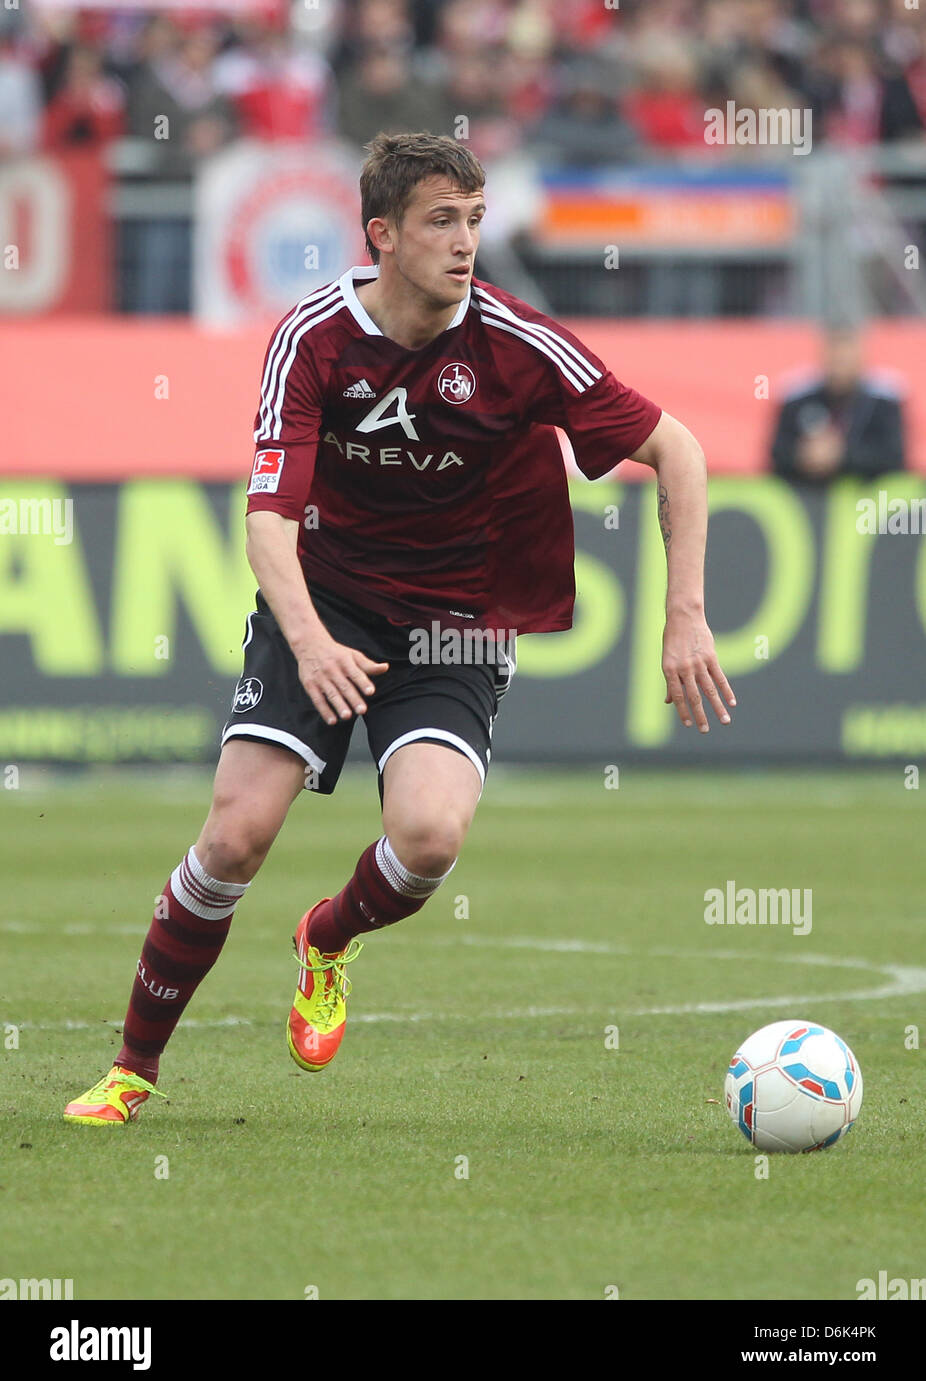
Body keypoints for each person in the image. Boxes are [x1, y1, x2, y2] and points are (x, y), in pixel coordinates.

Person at [64, 131, 735, 1126]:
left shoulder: (517, 343)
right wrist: (308, 638)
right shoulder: (311, 340)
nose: (464, 242)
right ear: (380, 234)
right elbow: (264, 522)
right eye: (439, 221)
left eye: (472, 219)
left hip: (459, 615)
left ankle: (326, 938)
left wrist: (684, 615)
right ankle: (131, 1069)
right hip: (323, 600)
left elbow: (676, 450)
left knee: (426, 838)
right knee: (238, 833)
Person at [770, 326, 907, 481]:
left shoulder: (884, 401)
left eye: (846, 360)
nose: (840, 368)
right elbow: (776, 454)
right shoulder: (797, 397)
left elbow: (895, 457)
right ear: (823, 358)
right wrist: (803, 456)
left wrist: (842, 456)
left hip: (865, 496)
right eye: (835, 359)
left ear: (861, 359)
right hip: (808, 493)